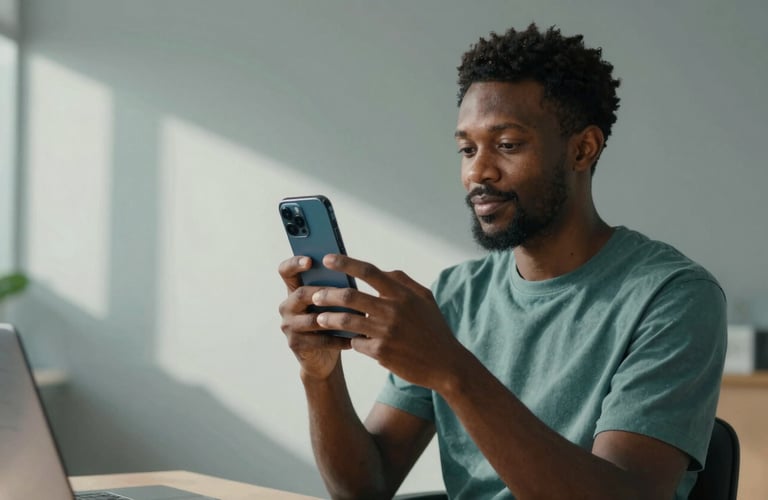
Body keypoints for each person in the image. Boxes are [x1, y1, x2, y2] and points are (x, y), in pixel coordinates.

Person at [278, 24, 726, 500]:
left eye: (508, 145)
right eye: (467, 149)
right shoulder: (455, 294)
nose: (477, 171)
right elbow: (364, 488)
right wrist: (319, 373)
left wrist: (453, 369)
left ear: (582, 148)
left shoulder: (673, 296)